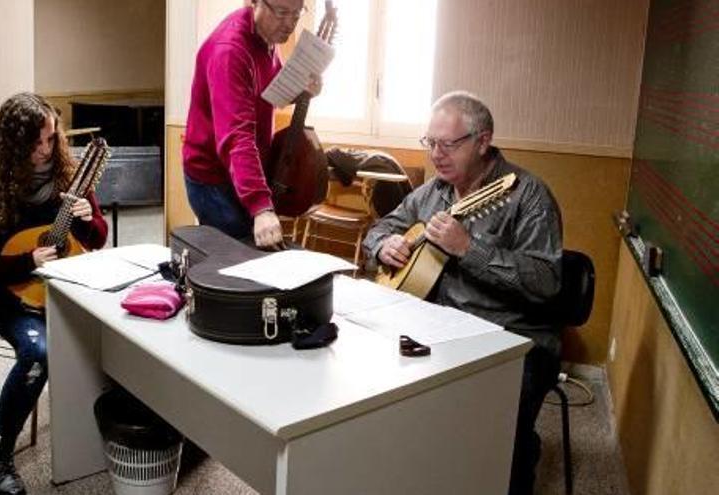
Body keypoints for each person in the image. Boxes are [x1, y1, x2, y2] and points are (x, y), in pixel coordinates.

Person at [363, 91, 563, 495]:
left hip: (511, 339)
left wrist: (469, 249)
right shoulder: (432, 191)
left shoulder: (528, 195)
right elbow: (380, 229)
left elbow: (545, 281)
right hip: (438, 327)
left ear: (483, 141)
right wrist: (383, 246)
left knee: (499, 444)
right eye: (430, 143)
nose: (436, 155)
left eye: (447, 144)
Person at [0, 92, 107, 495]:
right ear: (13, 142)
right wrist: (24, 263)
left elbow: (96, 240)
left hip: (64, 289)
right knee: (39, 353)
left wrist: (89, 221)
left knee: (121, 327)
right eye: (34, 142)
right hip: (10, 297)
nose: (44, 150)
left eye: (51, 139)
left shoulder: (69, 179)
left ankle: (109, 432)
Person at [183, 0, 320, 248]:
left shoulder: (266, 37)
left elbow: (272, 90)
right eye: (281, 13)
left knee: (249, 258)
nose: (289, 23)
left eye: (297, 14)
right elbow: (237, 137)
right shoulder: (230, 51)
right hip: (214, 177)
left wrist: (302, 92)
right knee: (234, 263)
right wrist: (261, 207)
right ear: (256, 3)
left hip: (242, 171)